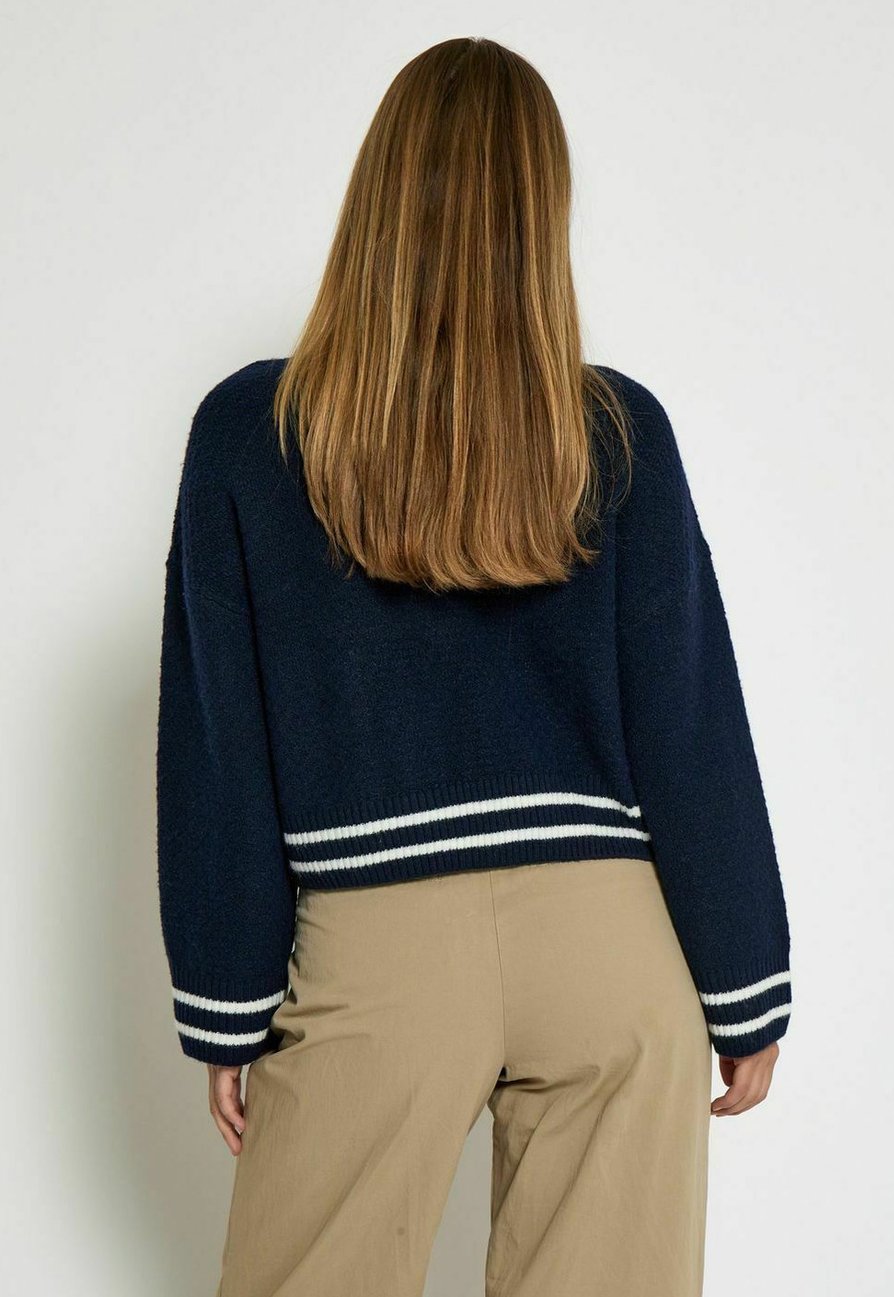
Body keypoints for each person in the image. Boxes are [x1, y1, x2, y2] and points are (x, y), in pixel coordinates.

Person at [156, 36, 792, 1297]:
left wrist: (225, 1001)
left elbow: (223, 746)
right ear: (541, 213)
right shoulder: (615, 429)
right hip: (612, 951)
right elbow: (691, 722)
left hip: (376, 948)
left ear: (378, 195)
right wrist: (745, 983)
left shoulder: (251, 430)